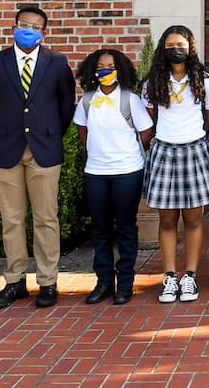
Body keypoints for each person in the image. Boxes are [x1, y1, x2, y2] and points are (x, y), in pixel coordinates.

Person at [0, 6, 76, 309]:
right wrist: (6, 132)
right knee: (12, 219)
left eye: (36, 26)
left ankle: (48, 282)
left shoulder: (57, 63)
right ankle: (15, 280)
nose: (29, 30)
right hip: (7, 149)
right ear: (14, 26)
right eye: (24, 24)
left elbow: (66, 105)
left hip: (44, 150)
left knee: (46, 219)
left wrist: (48, 134)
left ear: (44, 32)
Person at [140, 25, 209, 303]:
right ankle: (170, 276)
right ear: (163, 48)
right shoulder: (151, 83)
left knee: (194, 218)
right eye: (171, 44)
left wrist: (190, 135)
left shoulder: (206, 81)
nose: (176, 49)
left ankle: (190, 276)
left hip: (194, 149)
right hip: (163, 150)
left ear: (190, 48)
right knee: (167, 219)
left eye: (181, 45)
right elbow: (149, 119)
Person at [73, 49, 154, 305]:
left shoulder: (130, 100)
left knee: (126, 227)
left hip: (127, 171)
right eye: (101, 66)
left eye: (111, 66)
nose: (106, 71)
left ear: (120, 70)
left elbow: (145, 132)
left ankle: (126, 283)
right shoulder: (87, 100)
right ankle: (104, 281)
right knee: (100, 229)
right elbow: (82, 130)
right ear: (92, 70)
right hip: (96, 172)